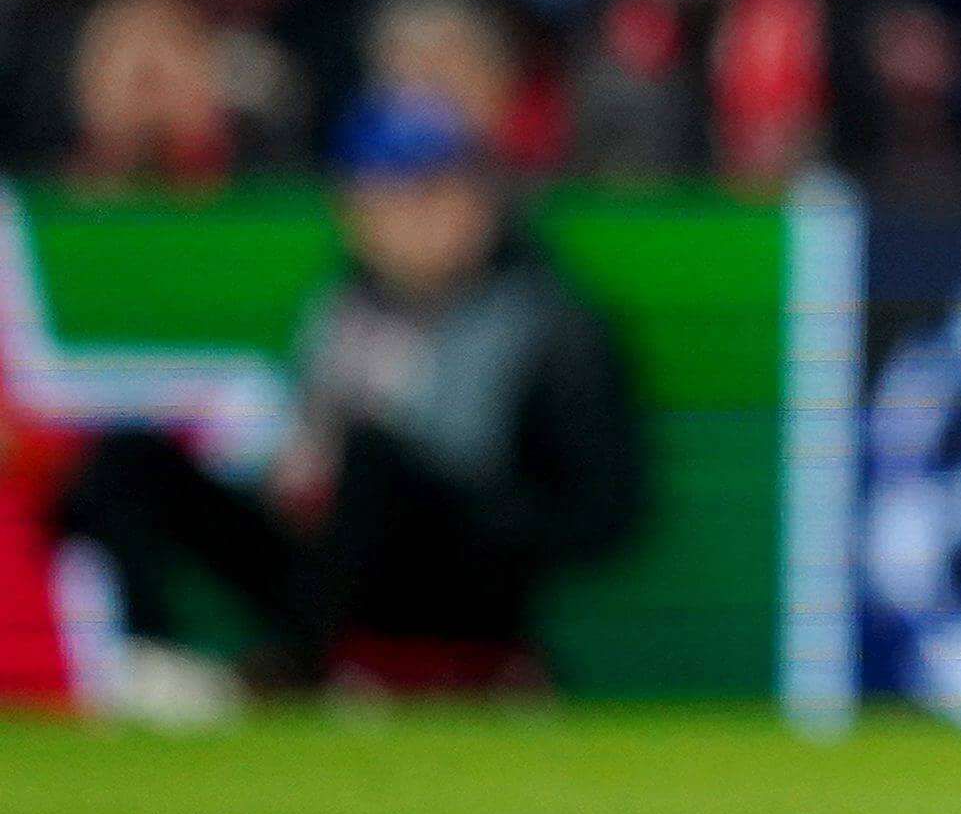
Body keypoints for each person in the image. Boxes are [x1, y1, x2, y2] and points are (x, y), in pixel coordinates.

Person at [53, 92, 644, 702]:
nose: (410, 219)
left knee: (374, 456)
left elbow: (604, 513)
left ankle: (293, 675)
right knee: (132, 458)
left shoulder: (550, 325)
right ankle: (150, 665)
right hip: (328, 555)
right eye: (385, 197)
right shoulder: (342, 307)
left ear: (481, 200)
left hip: (458, 580)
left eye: (432, 193)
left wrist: (455, 500)